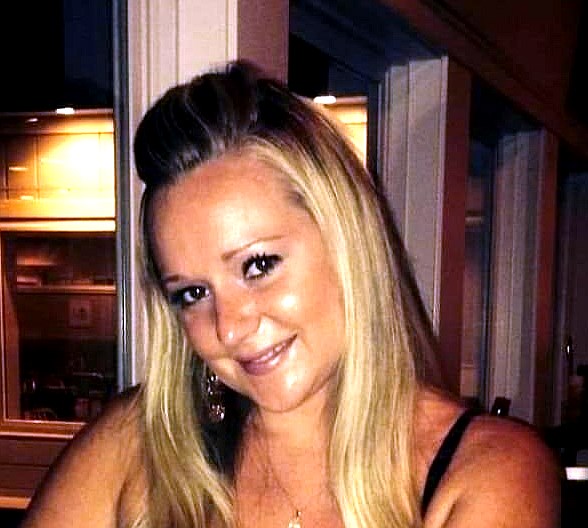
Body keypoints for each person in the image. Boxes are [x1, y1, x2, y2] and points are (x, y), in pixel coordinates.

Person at [21, 60, 561, 528]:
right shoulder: (136, 442)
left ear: (347, 240)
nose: (229, 326)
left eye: (258, 265)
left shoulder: (488, 470)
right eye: (192, 293)